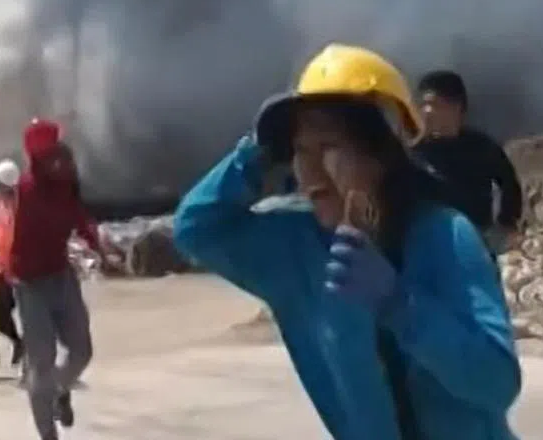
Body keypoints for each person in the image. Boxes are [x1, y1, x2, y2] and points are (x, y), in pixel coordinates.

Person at [173, 44, 521, 440]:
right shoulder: (295, 249)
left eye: (329, 147)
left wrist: (399, 305)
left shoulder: (444, 237)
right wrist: (256, 152)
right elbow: (195, 228)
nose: (310, 169)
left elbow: (497, 384)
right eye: (299, 150)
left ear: (382, 154)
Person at [9, 118, 112, 440]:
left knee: (82, 351)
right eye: (53, 154)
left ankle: (60, 391)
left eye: (60, 152)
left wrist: (98, 245)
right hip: (29, 284)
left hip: (60, 275)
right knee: (41, 364)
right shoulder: (25, 192)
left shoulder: (65, 184)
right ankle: (47, 433)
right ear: (38, 159)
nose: (62, 158)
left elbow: (77, 215)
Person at [413, 70, 524, 256]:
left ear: (456, 107)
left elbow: (509, 184)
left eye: (434, 104)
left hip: (475, 242)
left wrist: (507, 223)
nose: (426, 111)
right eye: (423, 104)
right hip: (428, 246)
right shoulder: (415, 152)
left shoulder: (481, 147)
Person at [0, 157, 25, 368]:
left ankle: (34, 356)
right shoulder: (1, 203)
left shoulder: (21, 206)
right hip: (3, 268)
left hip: (19, 270)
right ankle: (20, 343)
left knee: (30, 315)